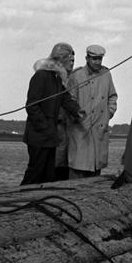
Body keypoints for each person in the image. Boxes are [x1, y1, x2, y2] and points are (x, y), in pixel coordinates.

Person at [21, 43, 84, 186]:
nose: (73, 63)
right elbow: (31, 106)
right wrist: (45, 126)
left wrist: (77, 111)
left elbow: (65, 98)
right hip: (38, 135)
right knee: (35, 172)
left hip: (49, 136)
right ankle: (22, 198)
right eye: (71, 59)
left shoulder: (56, 78)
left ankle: (40, 199)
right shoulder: (41, 76)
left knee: (48, 174)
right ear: (62, 58)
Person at [67, 44, 118, 178]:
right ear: (87, 58)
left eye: (99, 59)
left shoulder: (106, 74)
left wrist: (108, 114)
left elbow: (112, 96)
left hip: (99, 132)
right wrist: (77, 117)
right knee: (76, 175)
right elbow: (69, 101)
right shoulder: (76, 76)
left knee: (95, 174)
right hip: (81, 131)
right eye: (94, 59)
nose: (97, 62)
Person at [53, 44, 76, 180]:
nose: (72, 62)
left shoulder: (73, 78)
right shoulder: (52, 77)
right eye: (69, 59)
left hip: (70, 130)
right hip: (56, 129)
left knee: (66, 166)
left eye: (73, 60)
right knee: (55, 164)